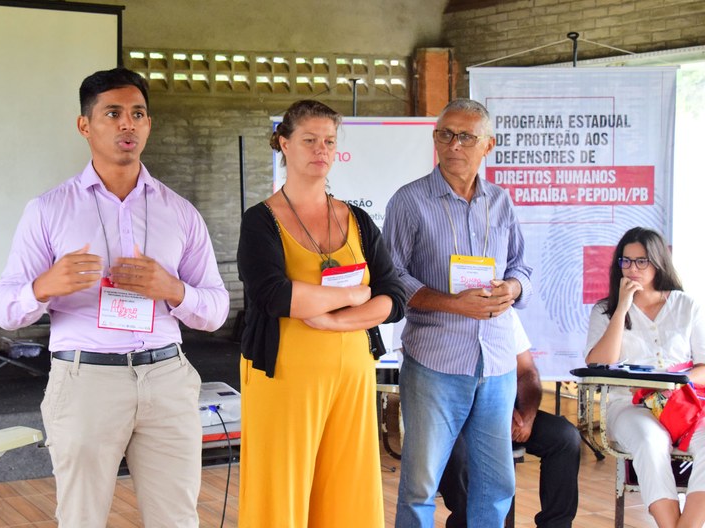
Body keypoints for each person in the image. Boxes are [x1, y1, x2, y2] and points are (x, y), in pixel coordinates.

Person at [0, 68, 229, 528]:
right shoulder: (48, 209)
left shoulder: (179, 212)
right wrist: (44, 287)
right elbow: (5, 310)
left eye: (138, 114)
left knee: (177, 518)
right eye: (113, 113)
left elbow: (216, 309)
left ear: (148, 125)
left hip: (166, 378)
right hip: (85, 382)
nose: (128, 124)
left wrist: (174, 291)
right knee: (81, 518)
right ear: (85, 126)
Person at [236, 99, 406, 527]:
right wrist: (354, 295)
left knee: (347, 491)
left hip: (351, 375)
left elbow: (393, 297)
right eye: (309, 140)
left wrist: (335, 317)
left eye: (329, 141)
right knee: (283, 488)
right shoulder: (260, 221)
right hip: (285, 375)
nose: (321, 150)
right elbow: (274, 296)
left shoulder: (358, 219)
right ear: (284, 144)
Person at [382, 98, 533, 528]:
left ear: (488, 145)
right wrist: (453, 303)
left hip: (498, 361)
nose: (454, 145)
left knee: (497, 482)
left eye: (466, 136)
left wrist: (514, 286)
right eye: (445, 134)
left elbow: (522, 265)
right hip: (435, 361)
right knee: (420, 486)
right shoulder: (409, 202)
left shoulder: (501, 202)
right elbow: (392, 278)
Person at [585, 226, 705, 528]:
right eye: (626, 261)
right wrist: (622, 306)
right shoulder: (605, 310)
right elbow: (599, 363)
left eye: (641, 261)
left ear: (657, 261)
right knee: (651, 441)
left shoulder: (685, 305)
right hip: (629, 406)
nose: (633, 269)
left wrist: (675, 386)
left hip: (685, 404)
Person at [439, 313, 581, 528]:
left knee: (564, 436)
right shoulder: (438, 315)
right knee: (454, 450)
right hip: (456, 418)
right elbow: (433, 387)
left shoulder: (505, 313)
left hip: (504, 414)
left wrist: (527, 415)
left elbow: (527, 371)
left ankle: (556, 524)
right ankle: (467, 522)